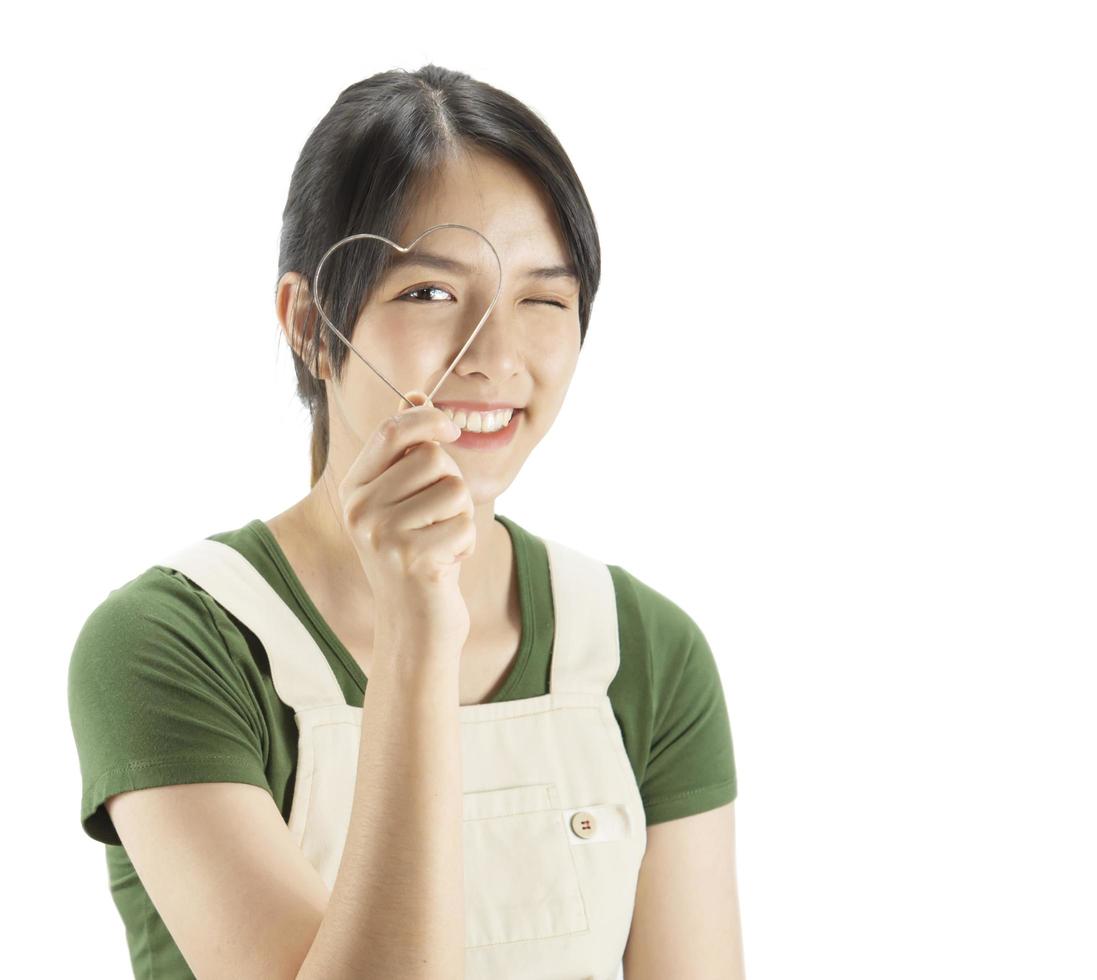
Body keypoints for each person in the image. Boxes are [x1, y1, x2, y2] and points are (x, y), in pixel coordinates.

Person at [66, 64, 743, 980]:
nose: (496, 357)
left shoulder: (646, 650)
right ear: (310, 322)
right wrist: (420, 623)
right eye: (428, 293)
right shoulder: (171, 645)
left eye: (544, 300)